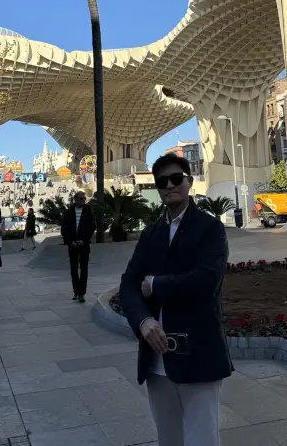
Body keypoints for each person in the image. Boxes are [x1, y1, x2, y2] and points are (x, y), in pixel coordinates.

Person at [120, 153, 232, 446]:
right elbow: (128, 285)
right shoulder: (151, 234)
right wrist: (143, 322)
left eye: (176, 179)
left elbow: (206, 282)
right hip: (156, 359)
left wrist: (157, 284)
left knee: (201, 438)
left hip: (197, 354)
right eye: (162, 182)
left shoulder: (209, 228)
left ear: (189, 182)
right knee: (168, 438)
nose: (169, 185)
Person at [60, 192, 96, 302]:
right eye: (81, 198)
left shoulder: (88, 211)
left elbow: (92, 227)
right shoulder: (69, 212)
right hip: (73, 245)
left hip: (84, 245)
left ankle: (82, 293)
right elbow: (64, 229)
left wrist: (84, 240)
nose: (83, 200)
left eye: (85, 198)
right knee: (74, 269)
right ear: (75, 199)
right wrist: (70, 242)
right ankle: (76, 291)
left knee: (84, 269)